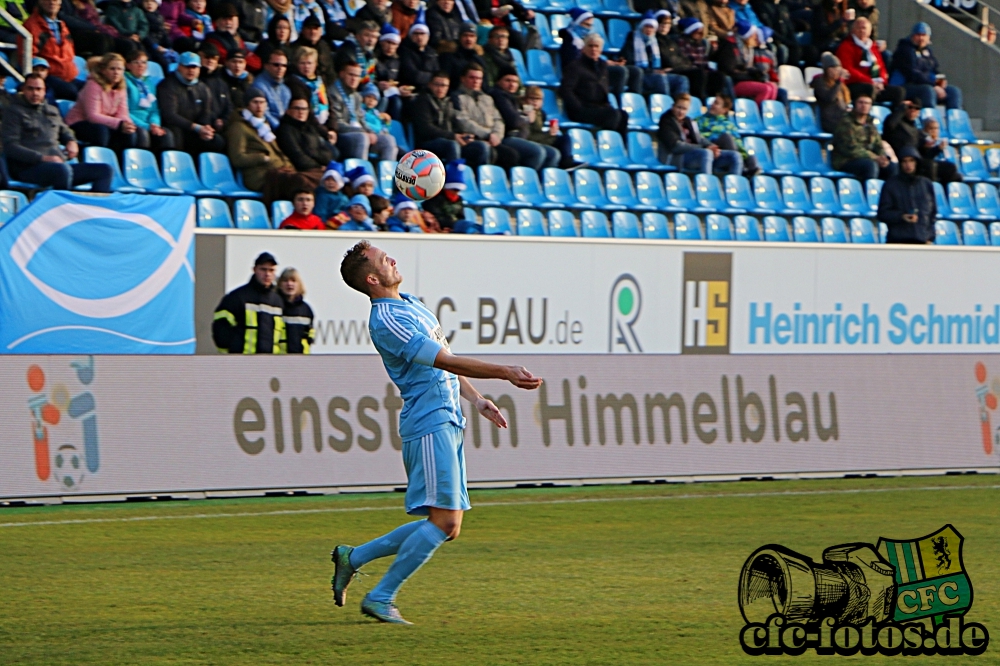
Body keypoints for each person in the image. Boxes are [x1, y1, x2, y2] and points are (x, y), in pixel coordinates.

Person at [332, 240, 542, 625]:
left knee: (449, 525)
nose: (392, 258)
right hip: (428, 423)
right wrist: (504, 371)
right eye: (383, 259)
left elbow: (443, 358)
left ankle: (354, 557)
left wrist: (477, 400)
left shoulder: (410, 304)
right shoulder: (387, 319)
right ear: (374, 278)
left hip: (447, 417)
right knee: (444, 522)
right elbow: (443, 359)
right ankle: (380, 597)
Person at [2, 73, 112, 191]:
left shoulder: (52, 111)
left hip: (59, 165)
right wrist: (43, 158)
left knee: (105, 170)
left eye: (38, 89)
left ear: (44, 91)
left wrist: (71, 141)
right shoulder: (13, 112)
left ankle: (95, 208)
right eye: (30, 89)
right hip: (29, 168)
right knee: (61, 171)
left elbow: (65, 130)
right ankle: (63, 207)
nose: (35, 93)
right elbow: (10, 146)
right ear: (23, 90)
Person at [228, 89, 315, 204]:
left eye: (262, 102)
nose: (259, 106)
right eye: (255, 102)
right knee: (301, 181)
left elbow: (279, 153)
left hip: (280, 172)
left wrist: (288, 166)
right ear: (247, 104)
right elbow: (237, 158)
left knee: (318, 176)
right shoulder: (239, 127)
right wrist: (262, 158)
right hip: (260, 176)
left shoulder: (264, 125)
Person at [411, 70, 491, 167]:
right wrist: (453, 136)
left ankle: (474, 178)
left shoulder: (448, 102)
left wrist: (463, 136)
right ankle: (453, 179)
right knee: (452, 145)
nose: (440, 88)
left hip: (448, 139)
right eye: (437, 84)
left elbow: (453, 125)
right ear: (430, 85)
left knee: (481, 147)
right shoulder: (422, 101)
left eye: (444, 85)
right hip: (427, 142)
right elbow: (426, 129)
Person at [212, 252, 286, 354]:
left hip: (270, 365)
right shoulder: (237, 297)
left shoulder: (278, 301)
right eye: (263, 269)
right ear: (254, 270)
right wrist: (229, 356)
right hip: (242, 363)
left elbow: (282, 336)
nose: (267, 274)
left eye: (271, 270)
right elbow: (221, 328)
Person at [64, 53, 138, 153]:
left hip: (105, 124)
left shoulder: (121, 88)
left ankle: (120, 163)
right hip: (79, 123)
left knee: (132, 133)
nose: (116, 72)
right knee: (101, 132)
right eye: (112, 69)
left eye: (119, 69)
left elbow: (122, 113)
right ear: (103, 70)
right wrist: (119, 124)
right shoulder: (93, 85)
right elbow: (92, 116)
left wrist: (128, 124)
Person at [453, 63, 522, 170]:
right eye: (472, 77)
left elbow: (498, 119)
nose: (476, 81)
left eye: (479, 78)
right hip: (473, 139)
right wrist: (487, 135)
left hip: (492, 139)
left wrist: (496, 135)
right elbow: (463, 121)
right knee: (485, 150)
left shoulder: (487, 98)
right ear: (463, 79)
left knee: (511, 155)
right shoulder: (457, 97)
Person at [488, 67, 559, 170]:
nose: (512, 84)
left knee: (553, 153)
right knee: (537, 152)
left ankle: (540, 182)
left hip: (522, 136)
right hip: (507, 136)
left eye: (515, 81)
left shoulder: (515, 100)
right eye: (508, 80)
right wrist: (526, 119)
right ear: (499, 81)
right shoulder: (499, 96)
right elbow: (514, 121)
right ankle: (524, 180)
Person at [560, 34, 629, 136]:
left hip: (598, 107)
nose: (593, 49)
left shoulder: (602, 66)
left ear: (601, 49)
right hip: (582, 109)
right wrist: (578, 106)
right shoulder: (575, 66)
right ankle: (606, 142)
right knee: (612, 115)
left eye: (596, 46)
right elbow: (565, 89)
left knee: (623, 115)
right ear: (584, 48)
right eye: (590, 46)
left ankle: (621, 146)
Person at [157, 51, 226, 154]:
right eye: (187, 67)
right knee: (175, 133)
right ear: (179, 67)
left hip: (195, 129)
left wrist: (205, 128)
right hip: (178, 127)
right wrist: (196, 127)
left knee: (217, 141)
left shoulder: (202, 87)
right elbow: (169, 115)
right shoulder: (167, 85)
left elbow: (206, 112)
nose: (191, 70)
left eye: (194, 67)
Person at [559, 8, 636, 98]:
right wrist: (604, 63)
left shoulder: (582, 39)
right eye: (586, 25)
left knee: (635, 71)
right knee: (620, 71)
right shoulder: (570, 41)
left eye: (590, 26)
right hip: (584, 71)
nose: (588, 28)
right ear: (577, 23)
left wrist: (608, 62)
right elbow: (575, 61)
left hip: (594, 65)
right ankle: (616, 99)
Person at [658, 93, 743, 174]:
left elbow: (699, 138)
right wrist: (704, 147)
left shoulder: (688, 120)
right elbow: (676, 146)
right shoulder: (666, 120)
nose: (681, 112)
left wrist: (712, 146)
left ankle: (735, 185)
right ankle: (707, 183)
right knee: (706, 153)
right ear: (673, 106)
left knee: (735, 156)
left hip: (696, 154)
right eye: (678, 108)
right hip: (677, 157)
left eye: (684, 109)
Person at [329, 60, 398, 160]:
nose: (354, 79)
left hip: (359, 132)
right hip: (341, 136)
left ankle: (388, 175)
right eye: (351, 75)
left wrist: (371, 132)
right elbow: (338, 124)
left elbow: (361, 119)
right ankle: (361, 173)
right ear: (342, 74)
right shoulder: (333, 93)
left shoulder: (357, 96)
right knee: (362, 138)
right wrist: (364, 132)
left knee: (388, 140)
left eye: (357, 76)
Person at [889, 22, 963, 111]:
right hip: (905, 86)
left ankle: (954, 121)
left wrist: (940, 82)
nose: (921, 38)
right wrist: (933, 85)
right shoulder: (904, 50)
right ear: (912, 36)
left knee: (954, 92)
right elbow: (913, 74)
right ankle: (929, 121)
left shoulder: (927, 52)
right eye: (918, 35)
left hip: (926, 84)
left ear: (929, 38)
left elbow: (934, 70)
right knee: (928, 91)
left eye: (924, 35)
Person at [835, 17, 903, 108]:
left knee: (899, 91)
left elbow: (881, 66)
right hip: (855, 85)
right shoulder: (846, 46)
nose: (862, 31)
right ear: (853, 30)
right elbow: (848, 70)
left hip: (875, 84)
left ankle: (892, 118)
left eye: (864, 28)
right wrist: (870, 81)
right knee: (870, 89)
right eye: (859, 28)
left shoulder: (873, 47)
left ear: (870, 31)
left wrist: (881, 82)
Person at [19, 0, 80, 101]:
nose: (52, 2)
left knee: (91, 89)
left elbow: (70, 53)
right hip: (49, 76)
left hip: (69, 76)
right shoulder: (31, 26)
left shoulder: (62, 25)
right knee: (74, 92)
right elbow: (27, 58)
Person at [622, 11, 690, 97]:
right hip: (641, 74)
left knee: (681, 79)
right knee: (660, 78)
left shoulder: (654, 43)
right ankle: (666, 103)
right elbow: (629, 62)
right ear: (641, 26)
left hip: (655, 73)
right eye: (647, 26)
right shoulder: (632, 42)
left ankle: (679, 104)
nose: (649, 30)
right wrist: (652, 71)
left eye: (652, 27)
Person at [877, 146, 935, 244]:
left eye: (911, 161)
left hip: (922, 239)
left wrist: (930, 237)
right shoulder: (891, 184)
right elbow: (883, 214)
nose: (908, 165)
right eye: (904, 161)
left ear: (917, 162)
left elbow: (932, 214)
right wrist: (901, 217)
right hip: (898, 240)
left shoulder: (926, 184)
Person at [831, 94, 896, 181]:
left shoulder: (870, 124)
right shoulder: (846, 123)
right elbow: (851, 149)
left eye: (867, 103)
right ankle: (869, 192)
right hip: (845, 160)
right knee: (870, 165)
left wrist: (882, 157)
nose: (864, 105)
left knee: (892, 167)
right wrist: (875, 157)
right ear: (855, 104)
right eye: (861, 102)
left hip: (868, 158)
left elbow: (878, 145)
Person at [277, 95, 340, 181]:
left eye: (304, 109)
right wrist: (318, 166)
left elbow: (325, 151)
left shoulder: (310, 127)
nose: (301, 112)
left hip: (320, 168)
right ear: (288, 111)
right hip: (304, 171)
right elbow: (297, 156)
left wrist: (320, 160)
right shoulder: (285, 130)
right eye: (297, 108)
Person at [124, 50, 175, 151]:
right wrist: (146, 126)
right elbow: (124, 111)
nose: (140, 65)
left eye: (143, 62)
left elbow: (154, 110)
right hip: (133, 121)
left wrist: (154, 124)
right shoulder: (124, 82)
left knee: (167, 134)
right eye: (136, 62)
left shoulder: (149, 83)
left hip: (149, 124)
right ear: (128, 65)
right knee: (143, 134)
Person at [714, 22, 777, 102]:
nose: (755, 38)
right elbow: (729, 70)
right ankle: (756, 112)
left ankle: (768, 111)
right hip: (734, 82)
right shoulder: (729, 46)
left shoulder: (748, 49)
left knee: (772, 86)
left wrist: (755, 73)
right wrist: (749, 75)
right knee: (765, 89)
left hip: (744, 79)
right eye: (753, 36)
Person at [697, 94, 759, 175]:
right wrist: (715, 137)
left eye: (716, 103)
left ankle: (744, 167)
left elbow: (738, 142)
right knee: (726, 137)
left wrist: (744, 155)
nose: (712, 105)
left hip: (728, 154)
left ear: (724, 110)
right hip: (712, 150)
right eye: (713, 102)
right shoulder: (700, 120)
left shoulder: (729, 125)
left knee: (751, 158)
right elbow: (698, 137)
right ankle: (743, 168)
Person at [654, 11, 708, 99]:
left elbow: (685, 59)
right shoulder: (655, 41)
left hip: (677, 68)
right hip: (668, 70)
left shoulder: (671, 41)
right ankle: (699, 101)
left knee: (717, 75)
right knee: (697, 74)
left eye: (668, 24)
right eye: (662, 24)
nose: (665, 27)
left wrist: (678, 66)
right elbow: (667, 60)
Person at [523, 85, 573, 168]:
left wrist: (551, 132)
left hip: (539, 138)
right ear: (526, 99)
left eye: (538, 99)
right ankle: (564, 165)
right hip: (530, 141)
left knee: (564, 138)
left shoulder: (541, 114)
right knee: (553, 152)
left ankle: (567, 162)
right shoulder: (525, 112)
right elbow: (528, 136)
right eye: (532, 98)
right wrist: (528, 120)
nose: (535, 102)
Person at [676, 17, 728, 96]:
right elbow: (685, 60)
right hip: (688, 68)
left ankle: (714, 97)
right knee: (700, 74)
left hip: (700, 68)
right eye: (698, 32)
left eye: (701, 32)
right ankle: (700, 97)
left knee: (718, 75)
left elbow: (704, 60)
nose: (701, 35)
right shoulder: (682, 42)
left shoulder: (701, 43)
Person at [205, 3, 263, 73]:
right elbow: (227, 60)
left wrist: (242, 60)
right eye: (224, 19)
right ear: (217, 22)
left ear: (237, 21)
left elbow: (257, 64)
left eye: (231, 19)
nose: (228, 22)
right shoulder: (213, 40)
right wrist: (244, 59)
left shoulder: (238, 39)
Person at [288, 45, 332, 125]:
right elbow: (308, 113)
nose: (306, 67)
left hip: (326, 124)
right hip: (311, 126)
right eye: (302, 63)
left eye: (309, 63)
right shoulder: (294, 82)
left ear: (315, 64)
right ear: (297, 64)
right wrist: (325, 132)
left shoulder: (320, 81)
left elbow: (330, 105)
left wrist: (332, 128)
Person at [249, 48, 292, 129]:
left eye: (284, 65)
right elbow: (264, 114)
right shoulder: (259, 86)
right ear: (266, 66)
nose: (280, 68)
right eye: (276, 65)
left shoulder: (286, 90)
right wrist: (281, 129)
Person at [473, 0, 537, 51]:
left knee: (518, 38)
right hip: (486, 25)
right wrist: (491, 13)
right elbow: (474, 14)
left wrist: (525, 13)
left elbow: (513, 6)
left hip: (503, 27)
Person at [811, 51, 850, 134]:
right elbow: (829, 98)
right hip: (829, 120)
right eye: (836, 69)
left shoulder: (839, 85)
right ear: (829, 70)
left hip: (841, 118)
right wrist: (839, 82)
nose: (838, 72)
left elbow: (844, 103)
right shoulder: (819, 82)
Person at [421, 159, 466, 231]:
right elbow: (437, 216)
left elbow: (462, 217)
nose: (456, 192)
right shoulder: (435, 199)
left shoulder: (459, 199)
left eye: (458, 190)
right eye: (454, 189)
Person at [278, 268, 315, 353]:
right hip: (279, 360)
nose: (289, 284)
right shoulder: (275, 306)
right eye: (285, 281)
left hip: (302, 360)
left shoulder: (306, 310)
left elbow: (310, 335)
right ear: (280, 284)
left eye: (293, 281)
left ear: (299, 284)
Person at [398, 18, 440, 93]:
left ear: (428, 37)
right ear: (411, 36)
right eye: (416, 34)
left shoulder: (432, 53)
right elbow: (413, 75)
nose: (419, 37)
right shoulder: (405, 51)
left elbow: (437, 73)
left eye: (422, 34)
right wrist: (432, 78)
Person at [752, 0, 800, 66]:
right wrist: (786, 41)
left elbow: (789, 28)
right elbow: (769, 28)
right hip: (771, 39)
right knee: (782, 49)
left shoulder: (783, 6)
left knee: (798, 49)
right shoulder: (762, 5)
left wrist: (793, 43)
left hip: (784, 39)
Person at [198, 43, 234, 129]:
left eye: (214, 58)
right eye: (206, 57)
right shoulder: (193, 81)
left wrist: (223, 120)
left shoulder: (221, 82)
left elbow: (229, 106)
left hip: (220, 127)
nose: (210, 61)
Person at [375, 24, 407, 119]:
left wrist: (402, 88)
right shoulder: (374, 57)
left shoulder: (398, 60)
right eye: (388, 42)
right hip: (376, 92)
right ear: (381, 42)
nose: (390, 46)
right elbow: (368, 78)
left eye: (394, 44)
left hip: (393, 92)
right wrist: (378, 84)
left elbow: (401, 79)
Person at [334, 19, 379, 85]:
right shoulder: (348, 51)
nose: (371, 40)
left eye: (374, 37)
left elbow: (371, 77)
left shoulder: (371, 54)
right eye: (367, 35)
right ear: (357, 36)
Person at [292, 15, 335, 81]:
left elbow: (330, 72)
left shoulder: (324, 47)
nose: (313, 32)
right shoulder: (295, 48)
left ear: (320, 31)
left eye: (316, 28)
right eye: (309, 28)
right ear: (303, 30)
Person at [918, 118, 960, 184]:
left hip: (942, 165)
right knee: (949, 168)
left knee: (958, 177)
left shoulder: (941, 141)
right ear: (925, 130)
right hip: (930, 167)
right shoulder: (923, 142)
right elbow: (926, 158)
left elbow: (947, 158)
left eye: (936, 128)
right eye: (931, 128)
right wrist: (937, 148)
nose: (934, 131)